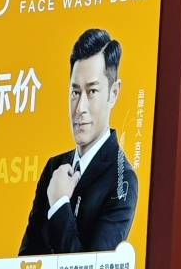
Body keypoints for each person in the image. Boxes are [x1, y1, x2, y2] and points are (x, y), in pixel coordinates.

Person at [18, 28, 139, 254]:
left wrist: (59, 205)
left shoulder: (122, 180)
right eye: (75, 93)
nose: (79, 108)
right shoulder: (54, 167)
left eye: (92, 91)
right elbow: (25, 261)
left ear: (113, 93)